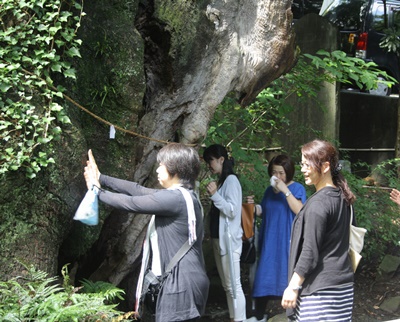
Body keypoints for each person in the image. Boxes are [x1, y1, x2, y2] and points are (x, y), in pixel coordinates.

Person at [83, 143, 209, 322]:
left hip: (180, 285)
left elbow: (132, 203)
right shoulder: (184, 196)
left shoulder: (175, 199)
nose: (157, 170)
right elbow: (138, 190)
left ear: (175, 169)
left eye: (161, 165)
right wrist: (102, 178)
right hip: (187, 281)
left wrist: (97, 191)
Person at [281, 139, 356, 321]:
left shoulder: (318, 204)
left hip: (320, 293)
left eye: (308, 164)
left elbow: (309, 252)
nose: (303, 169)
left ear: (325, 167)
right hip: (343, 289)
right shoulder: (342, 196)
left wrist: (293, 287)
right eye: (302, 164)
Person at [246, 155, 306, 322]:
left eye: (281, 173)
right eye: (274, 173)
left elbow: (300, 210)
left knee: (287, 275)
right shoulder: (268, 191)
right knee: (264, 275)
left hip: (287, 241)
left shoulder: (297, 189)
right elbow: (265, 211)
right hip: (269, 241)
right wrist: (252, 207)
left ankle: (291, 316)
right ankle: (259, 316)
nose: (278, 177)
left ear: (289, 173)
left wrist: (285, 191)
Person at [203, 144, 246, 322]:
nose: (209, 165)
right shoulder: (223, 180)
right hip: (219, 240)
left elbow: (233, 210)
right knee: (227, 286)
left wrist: (215, 195)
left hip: (230, 242)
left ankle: (240, 319)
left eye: (210, 161)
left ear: (221, 160)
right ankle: (233, 317)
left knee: (234, 285)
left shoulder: (231, 181)